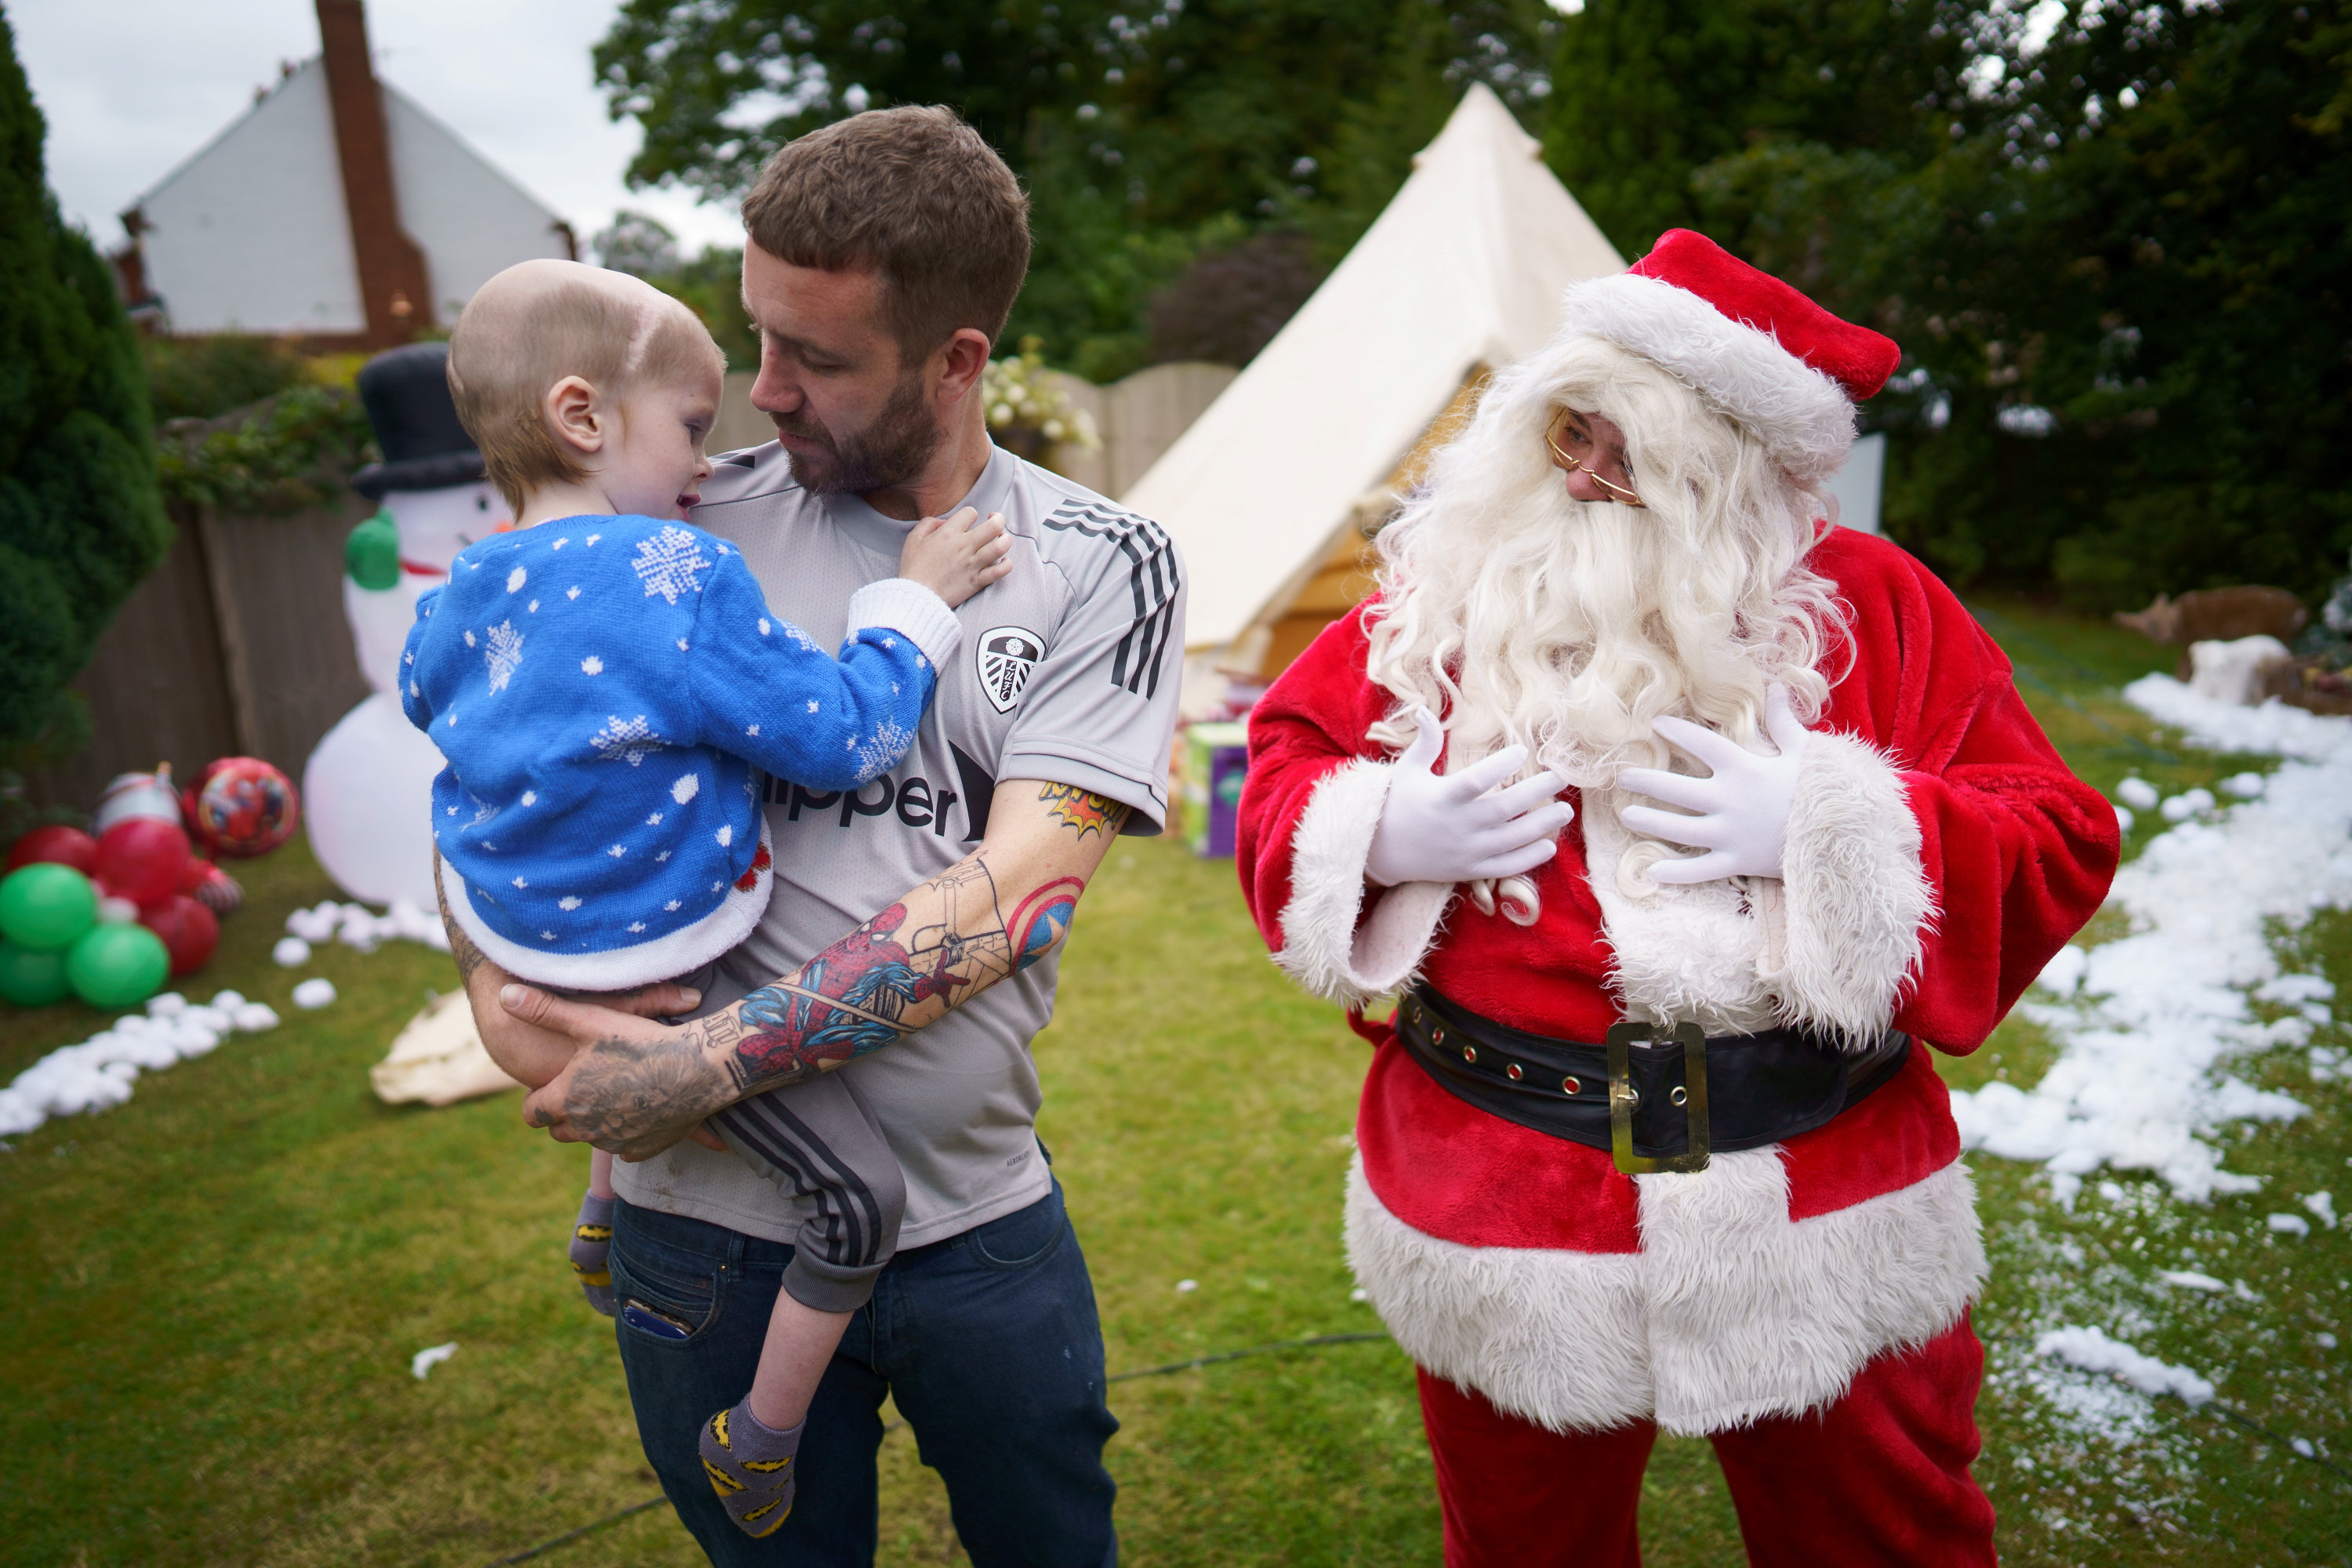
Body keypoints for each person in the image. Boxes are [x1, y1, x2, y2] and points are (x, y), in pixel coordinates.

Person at [1235, 230, 2119, 1566]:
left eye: (1628, 459)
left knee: (1886, 1536)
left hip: (1820, 1190)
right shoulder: (1441, 595)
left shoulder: (1873, 606)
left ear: (1730, 479)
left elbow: (2060, 834)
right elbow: (1284, 767)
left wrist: (1829, 825)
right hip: (1502, 1192)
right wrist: (1381, 830)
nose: (1582, 478)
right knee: (1527, 1547)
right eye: (1568, 435)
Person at [440, 107, 1185, 1567]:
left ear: (957, 358)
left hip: (976, 1221)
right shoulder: (673, 529)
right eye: (757, 340)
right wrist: (502, 993)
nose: (761, 394)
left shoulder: (1102, 562)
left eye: (818, 360)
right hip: (698, 1241)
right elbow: (499, 780)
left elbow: (1018, 890)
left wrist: (702, 1064)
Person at [408, 257, 1011, 1537]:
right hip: (681, 969)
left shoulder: (453, 596)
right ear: (583, 416)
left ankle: (600, 1218)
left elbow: (449, 730)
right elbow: (845, 738)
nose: (711, 458)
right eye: (691, 423)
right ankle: (760, 1436)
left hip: (528, 963)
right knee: (859, 1202)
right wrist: (914, 603)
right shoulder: (674, 574)